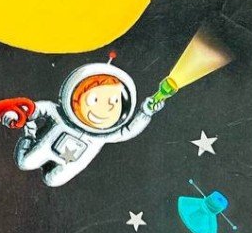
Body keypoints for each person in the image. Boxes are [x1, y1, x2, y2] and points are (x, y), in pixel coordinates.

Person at [13, 57, 165, 187]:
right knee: (25, 163)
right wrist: (19, 113)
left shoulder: (103, 136)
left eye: (114, 102)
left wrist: (145, 112)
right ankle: (29, 134)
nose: (104, 109)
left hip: (71, 164)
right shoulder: (59, 115)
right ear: (75, 97)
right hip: (47, 146)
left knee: (53, 180)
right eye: (95, 100)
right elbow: (38, 108)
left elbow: (128, 131)